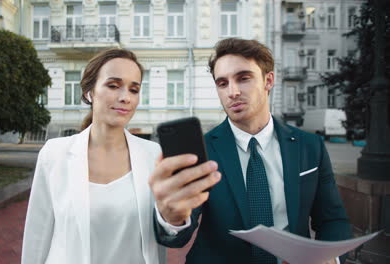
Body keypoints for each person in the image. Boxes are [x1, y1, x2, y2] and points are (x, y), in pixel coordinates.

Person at [149, 38, 351, 264]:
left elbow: (332, 220)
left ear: (268, 80)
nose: (232, 92)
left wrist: (330, 259)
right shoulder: (202, 150)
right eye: (222, 83)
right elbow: (178, 236)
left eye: (243, 78)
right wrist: (173, 217)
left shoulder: (310, 146)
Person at [22, 48, 166, 264]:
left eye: (134, 89)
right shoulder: (54, 154)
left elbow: (160, 238)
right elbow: (37, 232)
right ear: (89, 92)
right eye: (113, 85)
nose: (125, 97)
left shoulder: (153, 155)